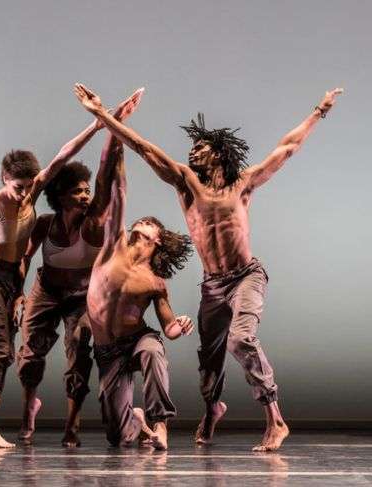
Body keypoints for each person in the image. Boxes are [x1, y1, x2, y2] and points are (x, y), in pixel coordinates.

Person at [74, 82, 343, 451]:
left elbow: (287, 148)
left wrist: (320, 109)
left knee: (241, 339)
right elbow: (145, 149)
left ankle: (276, 421)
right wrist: (102, 115)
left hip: (246, 275)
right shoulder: (187, 184)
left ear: (218, 153)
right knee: (209, 364)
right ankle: (212, 408)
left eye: (200, 147)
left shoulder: (243, 183)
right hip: (212, 285)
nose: (193, 151)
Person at [0, 98, 133, 447]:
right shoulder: (8, 211)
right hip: (12, 282)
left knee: (55, 348)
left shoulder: (60, 209)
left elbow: (67, 156)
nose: (23, 193)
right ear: (5, 180)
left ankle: (56, 422)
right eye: (17, 187)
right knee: (13, 352)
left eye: (29, 186)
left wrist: (100, 124)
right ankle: (4, 413)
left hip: (47, 288)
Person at [16, 89, 143, 447]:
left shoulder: (93, 224)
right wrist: (18, 297)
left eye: (86, 190)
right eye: (77, 192)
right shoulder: (45, 225)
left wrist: (112, 123)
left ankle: (71, 424)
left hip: (82, 296)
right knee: (30, 354)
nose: (85, 196)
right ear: (60, 196)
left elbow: (106, 180)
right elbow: (25, 258)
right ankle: (30, 408)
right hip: (46, 290)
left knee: (78, 348)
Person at [73, 99, 194, 450]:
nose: (138, 225)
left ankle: (160, 425)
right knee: (117, 436)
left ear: (157, 239)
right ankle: (136, 425)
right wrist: (115, 127)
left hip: (138, 338)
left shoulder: (155, 282)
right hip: (107, 349)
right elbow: (117, 187)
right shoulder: (113, 246)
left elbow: (168, 327)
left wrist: (178, 326)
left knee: (154, 354)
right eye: (138, 223)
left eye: (147, 226)